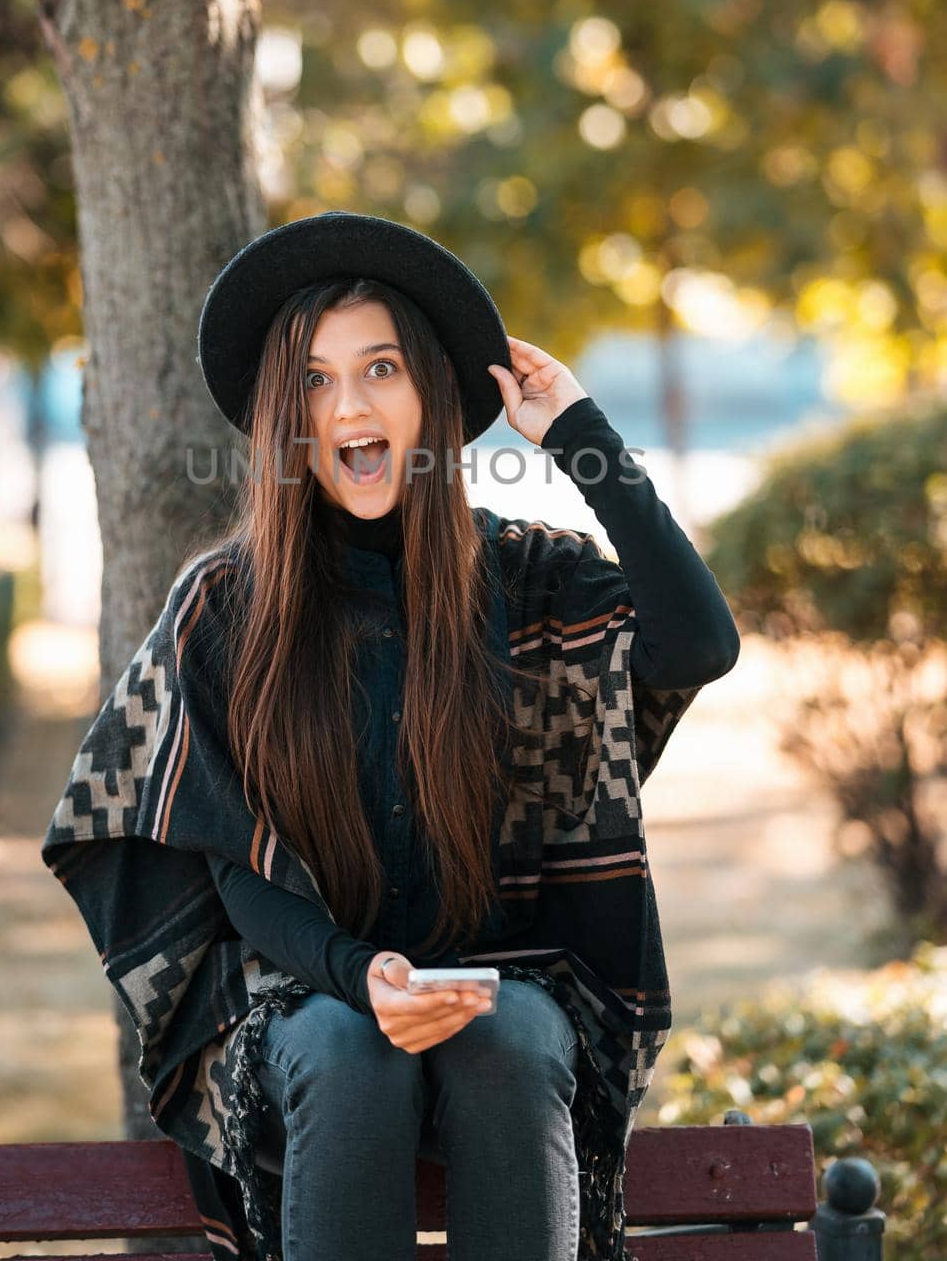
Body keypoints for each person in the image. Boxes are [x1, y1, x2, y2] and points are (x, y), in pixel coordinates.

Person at [41, 210, 741, 1261]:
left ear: (434, 397)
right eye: (316, 381)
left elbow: (697, 641)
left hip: (513, 975)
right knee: (344, 1045)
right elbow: (229, 866)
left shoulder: (533, 582)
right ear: (287, 415)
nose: (349, 405)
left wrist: (580, 438)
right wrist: (354, 968)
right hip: (301, 992)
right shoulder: (227, 603)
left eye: (379, 369)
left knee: (508, 1033)